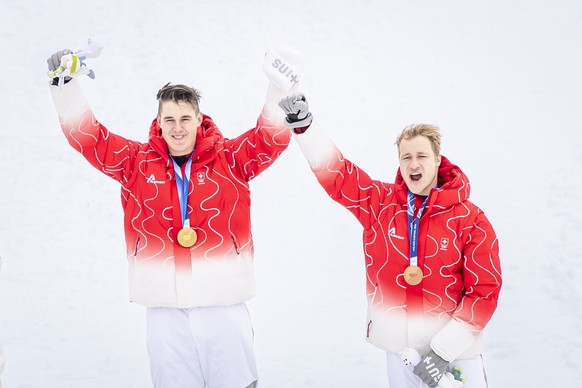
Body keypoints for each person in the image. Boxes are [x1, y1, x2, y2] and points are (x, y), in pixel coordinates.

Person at [47, 43, 299, 388]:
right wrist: (66, 88)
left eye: (184, 119)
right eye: (169, 119)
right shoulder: (136, 163)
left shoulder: (231, 160)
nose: (177, 128)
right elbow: (89, 138)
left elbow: (270, 138)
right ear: (159, 122)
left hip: (222, 304)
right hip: (164, 308)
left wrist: (279, 88)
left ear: (198, 119)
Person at [278, 94, 502, 388]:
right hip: (402, 353)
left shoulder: (471, 219)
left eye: (421, 156)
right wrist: (305, 128)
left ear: (437, 159)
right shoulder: (380, 204)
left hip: (457, 354)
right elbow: (339, 175)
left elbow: (484, 292)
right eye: (406, 157)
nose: (413, 164)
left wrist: (443, 352)